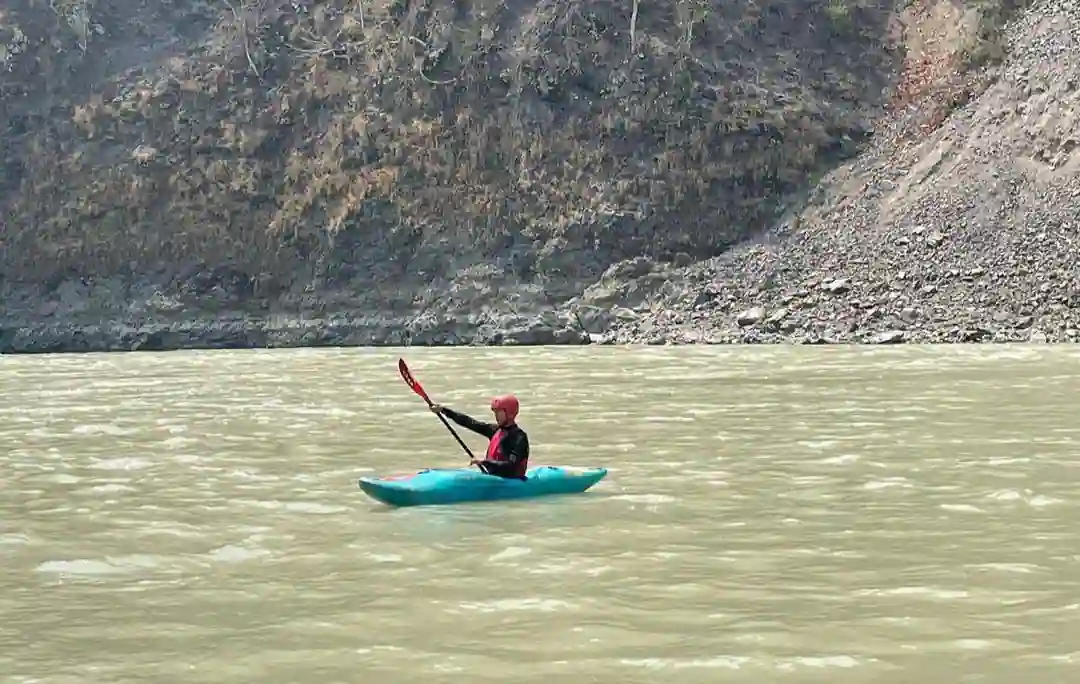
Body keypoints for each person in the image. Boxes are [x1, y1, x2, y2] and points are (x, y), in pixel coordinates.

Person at [429, 395, 530, 479]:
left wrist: (485, 462)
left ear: (510, 413)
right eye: (495, 412)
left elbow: (511, 466)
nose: (496, 416)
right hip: (493, 478)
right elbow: (469, 422)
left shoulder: (519, 438)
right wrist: (444, 410)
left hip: (511, 481)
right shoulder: (495, 431)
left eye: (499, 412)